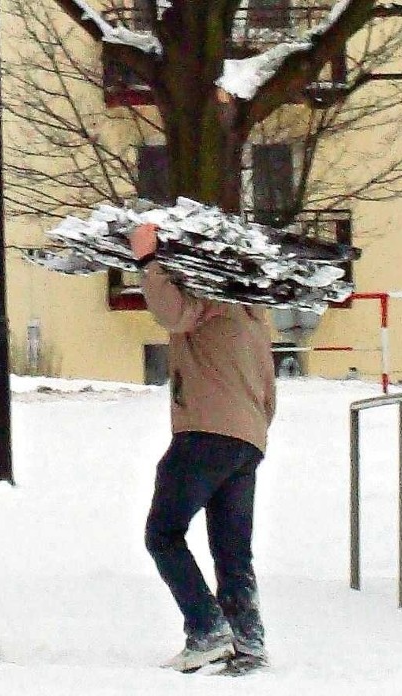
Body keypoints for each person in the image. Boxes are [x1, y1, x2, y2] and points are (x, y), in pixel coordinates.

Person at [128, 223, 276, 674]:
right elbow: (269, 392)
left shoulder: (210, 301)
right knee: (233, 550)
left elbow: (172, 314)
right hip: (246, 442)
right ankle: (248, 642)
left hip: (203, 434)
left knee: (163, 532)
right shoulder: (254, 315)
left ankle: (207, 629)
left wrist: (148, 263)